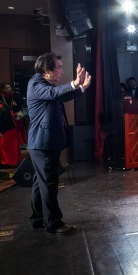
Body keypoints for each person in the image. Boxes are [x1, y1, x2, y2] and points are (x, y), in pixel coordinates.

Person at [27, 52, 91, 235]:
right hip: (43, 143)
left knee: (40, 183)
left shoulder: (44, 84)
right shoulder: (37, 84)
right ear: (46, 69)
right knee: (49, 184)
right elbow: (54, 93)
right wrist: (74, 83)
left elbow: (60, 96)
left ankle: (38, 219)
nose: (62, 72)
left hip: (44, 143)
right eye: (59, 68)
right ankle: (53, 223)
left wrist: (82, 88)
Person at [0, 83, 24, 166]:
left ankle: (8, 162)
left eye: (10, 87)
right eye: (7, 87)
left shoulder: (14, 97)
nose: (9, 88)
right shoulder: (0, 101)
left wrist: (2, 133)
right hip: (7, 127)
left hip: (11, 126)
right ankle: (6, 161)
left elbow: (6, 123)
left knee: (5, 144)